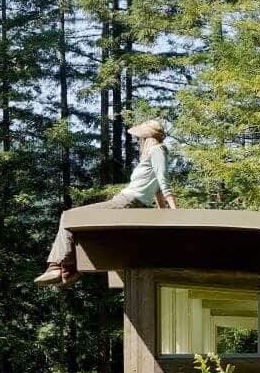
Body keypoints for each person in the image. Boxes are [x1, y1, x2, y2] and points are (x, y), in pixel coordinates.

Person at [35, 117, 178, 285]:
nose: (139, 141)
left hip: (126, 201)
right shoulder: (157, 154)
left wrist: (174, 211)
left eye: (141, 138)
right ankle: (69, 270)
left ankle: (57, 268)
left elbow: (162, 182)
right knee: (79, 224)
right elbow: (157, 189)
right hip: (130, 202)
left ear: (147, 138)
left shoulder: (156, 150)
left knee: (68, 217)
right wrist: (163, 214)